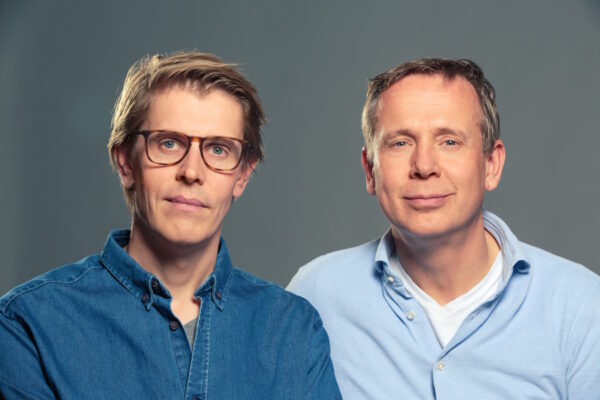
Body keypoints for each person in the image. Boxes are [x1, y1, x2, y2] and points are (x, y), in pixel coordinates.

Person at [0, 51, 341, 399]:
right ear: (125, 162)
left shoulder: (294, 331)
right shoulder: (28, 324)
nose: (191, 172)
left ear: (242, 175)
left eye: (218, 150)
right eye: (168, 143)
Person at [288, 58, 600, 399]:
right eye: (400, 143)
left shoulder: (582, 307)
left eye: (449, 141)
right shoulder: (316, 295)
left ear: (491, 165)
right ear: (370, 170)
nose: (424, 166)